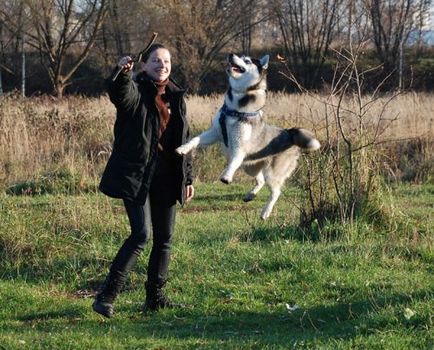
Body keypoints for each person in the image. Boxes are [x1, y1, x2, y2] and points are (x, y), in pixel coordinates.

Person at [92, 43, 194, 318]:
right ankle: (106, 296)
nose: (163, 66)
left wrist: (188, 177)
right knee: (141, 234)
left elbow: (184, 139)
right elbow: (118, 92)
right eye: (157, 61)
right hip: (136, 176)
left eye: (167, 61)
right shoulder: (135, 91)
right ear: (145, 66)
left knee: (164, 238)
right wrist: (122, 72)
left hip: (166, 177)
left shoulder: (175, 96)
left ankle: (155, 298)